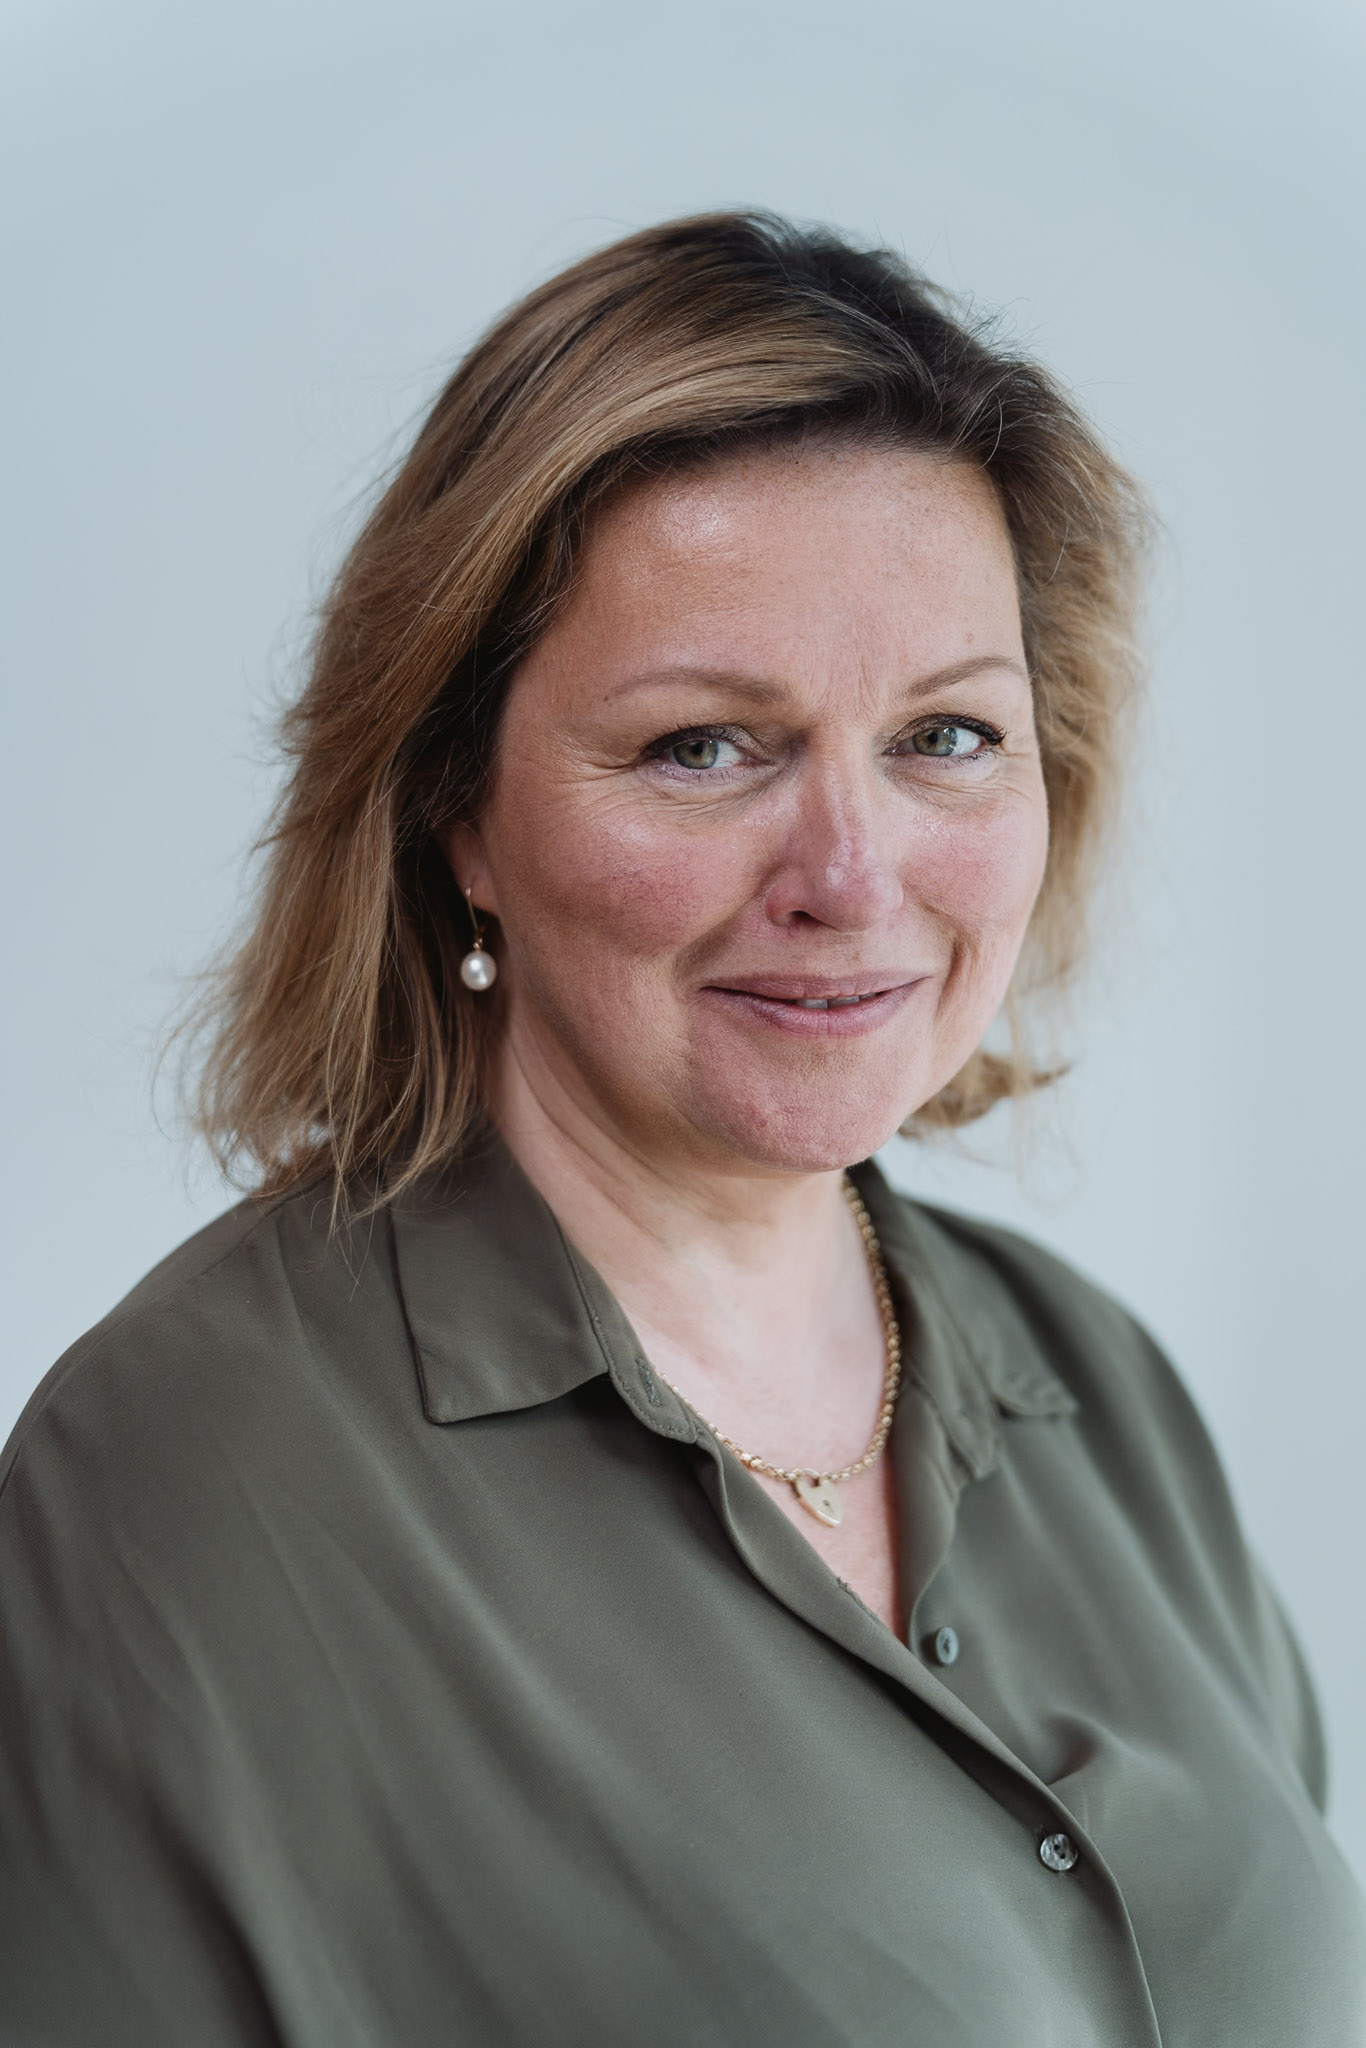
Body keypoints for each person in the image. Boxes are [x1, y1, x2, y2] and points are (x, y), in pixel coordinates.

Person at [1, 211, 1361, 2048]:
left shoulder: (1094, 1389)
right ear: (453, 812)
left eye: (947, 736)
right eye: (705, 748)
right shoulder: (176, 1490)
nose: (851, 876)